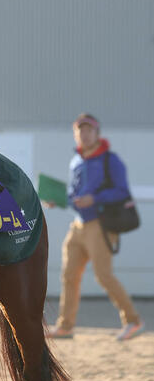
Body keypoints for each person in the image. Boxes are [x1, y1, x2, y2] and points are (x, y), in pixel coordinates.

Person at [48, 113, 144, 341]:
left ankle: (133, 321)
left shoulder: (111, 160)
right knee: (69, 275)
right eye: (80, 130)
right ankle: (65, 326)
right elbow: (74, 194)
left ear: (97, 134)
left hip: (100, 226)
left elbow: (122, 191)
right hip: (78, 226)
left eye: (89, 130)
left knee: (103, 275)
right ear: (76, 134)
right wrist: (59, 199)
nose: (84, 134)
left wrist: (96, 198)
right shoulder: (76, 161)